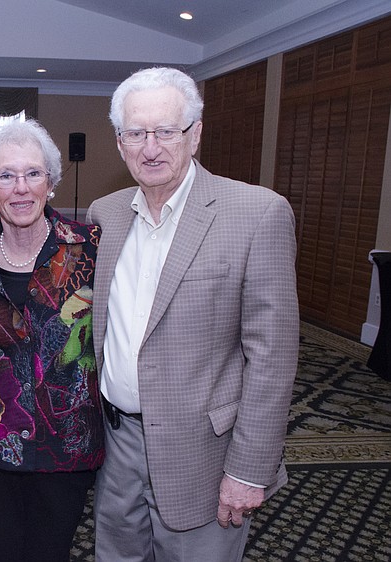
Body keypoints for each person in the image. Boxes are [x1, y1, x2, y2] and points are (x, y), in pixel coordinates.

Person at [86, 66, 300, 561]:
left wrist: (248, 470)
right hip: (116, 446)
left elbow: (273, 359)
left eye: (166, 131)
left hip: (205, 454)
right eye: (136, 133)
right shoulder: (106, 214)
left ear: (195, 134)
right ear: (120, 142)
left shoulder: (257, 214)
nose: (151, 147)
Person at [0, 120, 104, 562]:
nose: (21, 188)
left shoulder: (90, 248)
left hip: (66, 445)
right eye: (6, 176)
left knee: (48, 553)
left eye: (33, 173)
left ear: (51, 182)